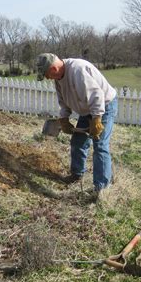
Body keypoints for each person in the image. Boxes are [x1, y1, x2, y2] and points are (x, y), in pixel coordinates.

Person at [36, 53, 118, 192]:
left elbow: (97, 95)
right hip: (86, 111)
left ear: (54, 69)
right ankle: (77, 175)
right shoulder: (58, 78)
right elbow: (63, 101)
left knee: (100, 145)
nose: (47, 78)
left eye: (47, 74)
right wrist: (64, 118)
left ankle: (102, 188)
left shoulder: (77, 70)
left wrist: (97, 118)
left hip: (104, 106)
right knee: (78, 142)